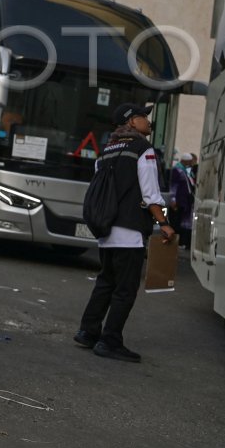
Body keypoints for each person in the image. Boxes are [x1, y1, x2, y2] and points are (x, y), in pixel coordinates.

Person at [74, 102, 176, 362]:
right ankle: (110, 340)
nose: (148, 121)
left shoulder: (107, 150)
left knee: (106, 282)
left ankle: (88, 331)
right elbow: (151, 194)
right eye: (143, 117)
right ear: (131, 122)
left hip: (106, 231)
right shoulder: (143, 149)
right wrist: (163, 223)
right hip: (129, 232)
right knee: (125, 289)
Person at [169, 152, 196, 250]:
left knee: (182, 221)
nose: (190, 163)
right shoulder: (178, 170)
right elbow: (174, 186)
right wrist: (173, 199)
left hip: (185, 200)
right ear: (185, 161)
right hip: (179, 200)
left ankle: (181, 242)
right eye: (189, 162)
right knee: (177, 221)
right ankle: (177, 242)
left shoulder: (185, 170)